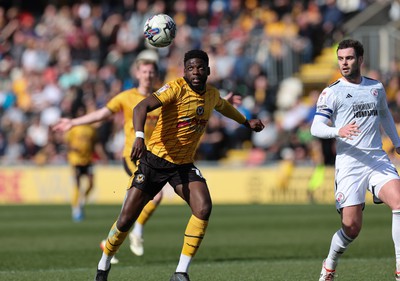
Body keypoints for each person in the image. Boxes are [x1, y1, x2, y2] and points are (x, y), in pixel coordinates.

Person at [94, 49, 264, 281]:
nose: (196, 72)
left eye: (200, 67)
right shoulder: (175, 88)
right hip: (154, 161)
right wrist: (140, 136)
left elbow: (224, 107)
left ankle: (181, 272)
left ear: (208, 71)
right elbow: (140, 107)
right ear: (185, 71)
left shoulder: (211, 95)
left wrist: (246, 122)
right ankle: (103, 266)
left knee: (203, 207)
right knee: (126, 219)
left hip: (183, 165)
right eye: (191, 68)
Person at [53, 58, 162, 262]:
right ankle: (137, 233)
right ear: (137, 74)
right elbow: (102, 114)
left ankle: (109, 243)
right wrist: (73, 122)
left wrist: (218, 102)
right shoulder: (126, 97)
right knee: (155, 196)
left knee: (132, 205)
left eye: (151, 72)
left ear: (155, 75)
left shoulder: (161, 97)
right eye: (144, 71)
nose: (147, 75)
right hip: (133, 155)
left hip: (155, 156)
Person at [311, 39, 400, 281]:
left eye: (349, 58)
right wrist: (337, 131)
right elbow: (316, 127)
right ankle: (329, 265)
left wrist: (397, 142)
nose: (344, 63)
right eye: (341, 59)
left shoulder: (376, 87)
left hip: (376, 159)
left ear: (360, 60)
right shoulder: (331, 92)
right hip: (349, 164)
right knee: (351, 227)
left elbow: (384, 115)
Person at [64, 105, 102, 222]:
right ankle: (76, 209)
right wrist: (73, 149)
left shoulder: (91, 129)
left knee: (91, 184)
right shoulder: (73, 128)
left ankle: (81, 202)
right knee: (77, 185)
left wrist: (102, 155)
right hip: (75, 160)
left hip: (88, 160)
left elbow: (95, 143)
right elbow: (67, 143)